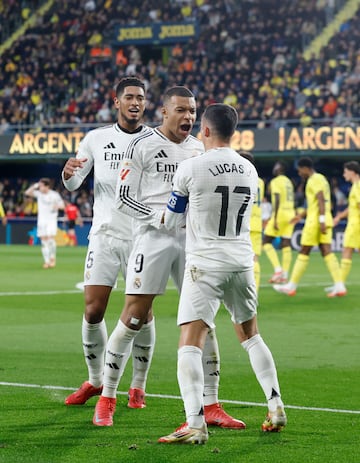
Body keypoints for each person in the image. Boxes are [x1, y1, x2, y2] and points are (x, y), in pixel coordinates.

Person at [93, 86, 245, 430]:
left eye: (192, 111)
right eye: (181, 110)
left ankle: (211, 405)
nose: (188, 117)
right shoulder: (142, 145)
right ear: (164, 112)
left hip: (193, 243)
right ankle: (107, 398)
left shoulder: (199, 149)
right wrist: (157, 215)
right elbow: (122, 197)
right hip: (153, 240)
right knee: (133, 317)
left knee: (203, 323)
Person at [158, 104, 286, 445]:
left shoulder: (191, 167)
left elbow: (171, 221)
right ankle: (275, 404)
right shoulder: (248, 169)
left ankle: (194, 424)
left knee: (189, 344)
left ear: (206, 130)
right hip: (242, 262)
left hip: (205, 264)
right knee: (251, 336)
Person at [62, 76, 155, 409]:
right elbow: (74, 183)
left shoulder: (155, 139)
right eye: (129, 97)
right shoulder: (96, 139)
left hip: (143, 237)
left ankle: (138, 386)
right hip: (104, 234)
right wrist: (67, 172)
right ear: (116, 102)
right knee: (93, 310)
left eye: (140, 98)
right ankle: (95, 380)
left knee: (142, 315)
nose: (135, 103)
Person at [273, 157, 346, 298]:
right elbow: (316, 203)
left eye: (300, 170)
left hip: (315, 222)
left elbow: (320, 199)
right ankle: (339, 285)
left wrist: (322, 220)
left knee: (304, 251)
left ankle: (291, 286)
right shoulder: (321, 178)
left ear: (306, 168)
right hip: (322, 218)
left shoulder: (314, 180)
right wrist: (300, 216)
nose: (300, 173)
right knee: (327, 251)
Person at [263, 161, 296, 283]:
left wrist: (275, 218)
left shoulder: (276, 181)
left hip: (280, 213)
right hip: (290, 213)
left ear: (279, 168)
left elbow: (276, 198)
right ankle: (285, 274)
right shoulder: (289, 182)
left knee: (266, 241)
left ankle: (278, 270)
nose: (274, 168)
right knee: (286, 243)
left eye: (275, 166)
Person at [331, 161, 360, 291]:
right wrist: (339, 217)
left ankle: (340, 285)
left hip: (355, 224)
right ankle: (339, 285)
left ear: (352, 172)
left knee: (347, 251)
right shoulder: (355, 186)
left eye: (345, 172)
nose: (344, 175)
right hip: (355, 223)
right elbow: (352, 207)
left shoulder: (357, 186)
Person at [239, 151, 265, 293]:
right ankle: (254, 294)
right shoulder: (260, 181)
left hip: (243, 222)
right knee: (255, 259)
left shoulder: (241, 178)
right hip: (257, 223)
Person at [24, 178, 64, 268]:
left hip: (51, 220)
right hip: (42, 221)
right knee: (44, 241)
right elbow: (27, 193)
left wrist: (57, 206)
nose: (40, 187)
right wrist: (35, 186)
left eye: (41, 186)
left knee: (50, 239)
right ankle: (46, 261)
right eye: (40, 186)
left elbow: (62, 206)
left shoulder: (54, 195)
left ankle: (52, 258)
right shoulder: (39, 194)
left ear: (47, 186)